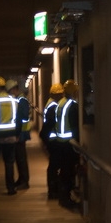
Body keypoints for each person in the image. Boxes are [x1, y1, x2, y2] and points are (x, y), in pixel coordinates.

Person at [53, 80, 80, 208]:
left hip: (60, 142)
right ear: (74, 92)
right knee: (68, 172)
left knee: (63, 171)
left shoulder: (60, 103)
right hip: (69, 144)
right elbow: (75, 126)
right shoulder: (73, 105)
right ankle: (66, 198)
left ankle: (62, 196)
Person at [40, 82, 64, 199]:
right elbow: (50, 124)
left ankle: (54, 189)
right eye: (60, 94)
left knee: (53, 166)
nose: (62, 96)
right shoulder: (54, 106)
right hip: (54, 141)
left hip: (51, 139)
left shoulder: (50, 104)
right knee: (54, 166)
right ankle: (53, 190)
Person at [7, 79, 31, 190]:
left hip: (21, 134)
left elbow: (22, 117)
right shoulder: (19, 100)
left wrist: (17, 134)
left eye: (10, 91)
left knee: (21, 158)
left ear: (14, 89)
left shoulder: (21, 100)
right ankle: (21, 179)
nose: (9, 93)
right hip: (20, 133)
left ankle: (24, 181)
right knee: (19, 158)